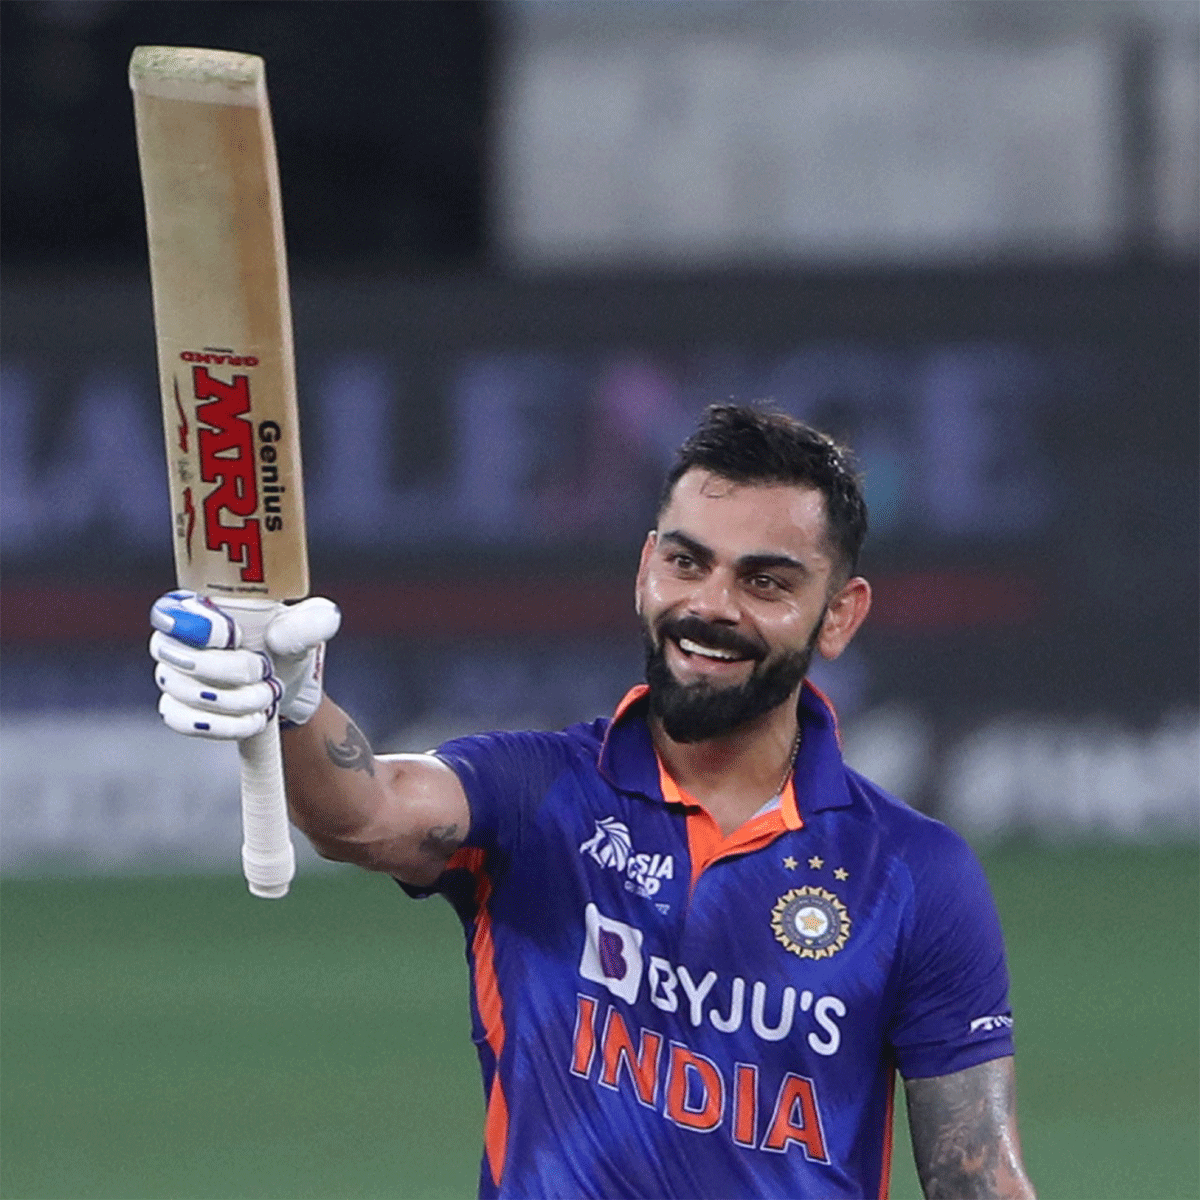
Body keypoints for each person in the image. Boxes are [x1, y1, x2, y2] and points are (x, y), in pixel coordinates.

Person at [151, 404, 1036, 1200]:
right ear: (648, 568)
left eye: (766, 582)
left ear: (838, 615)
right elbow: (364, 810)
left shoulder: (917, 876)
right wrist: (297, 706)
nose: (711, 606)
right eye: (689, 562)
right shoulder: (540, 793)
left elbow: (977, 1179)